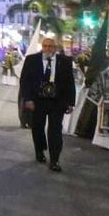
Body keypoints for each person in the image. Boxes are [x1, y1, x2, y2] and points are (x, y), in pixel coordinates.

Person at [19, 36, 75, 171]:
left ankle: (54, 160)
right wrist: (28, 99)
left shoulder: (65, 61)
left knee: (55, 130)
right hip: (38, 101)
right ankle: (39, 151)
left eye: (50, 46)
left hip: (57, 102)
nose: (47, 49)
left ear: (55, 48)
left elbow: (69, 83)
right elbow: (25, 81)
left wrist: (70, 102)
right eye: (45, 46)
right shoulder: (32, 60)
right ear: (41, 47)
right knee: (38, 128)